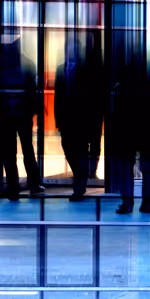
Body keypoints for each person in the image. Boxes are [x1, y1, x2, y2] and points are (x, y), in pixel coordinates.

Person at [0, 35, 44, 201]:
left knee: (8, 154)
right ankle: (34, 185)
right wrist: (36, 112)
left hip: (5, 116)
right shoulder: (28, 64)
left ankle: (13, 189)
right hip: (23, 115)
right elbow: (34, 92)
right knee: (28, 151)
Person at [109, 43, 150, 215]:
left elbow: (118, 100)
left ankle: (127, 203)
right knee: (146, 165)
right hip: (146, 125)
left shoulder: (125, 72)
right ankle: (147, 203)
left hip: (128, 126)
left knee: (127, 165)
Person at [54, 34, 102, 201]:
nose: (70, 50)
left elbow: (91, 94)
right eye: (68, 47)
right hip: (66, 118)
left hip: (81, 118)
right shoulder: (60, 68)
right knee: (67, 147)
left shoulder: (86, 68)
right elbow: (58, 96)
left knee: (81, 150)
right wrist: (58, 119)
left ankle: (79, 186)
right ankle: (80, 175)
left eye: (74, 48)